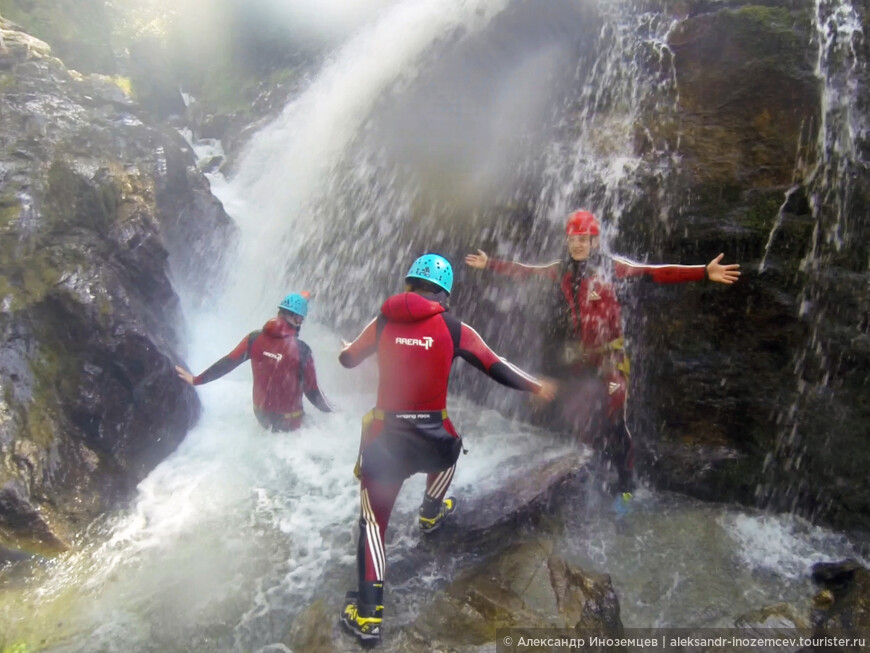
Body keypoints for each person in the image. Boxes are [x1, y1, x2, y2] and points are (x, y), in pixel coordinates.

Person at [337, 253, 556, 645]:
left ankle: (368, 617)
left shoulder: (383, 319)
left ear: (408, 285)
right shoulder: (454, 328)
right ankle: (431, 513)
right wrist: (538, 386)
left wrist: (347, 348)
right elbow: (496, 365)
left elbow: (348, 359)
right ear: (444, 294)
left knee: (373, 524)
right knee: (452, 439)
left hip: (386, 441)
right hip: (432, 444)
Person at [465, 210, 740, 499]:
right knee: (578, 413)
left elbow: (657, 272)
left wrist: (704, 272)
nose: (578, 245)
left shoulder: (613, 268)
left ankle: (626, 484)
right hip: (580, 359)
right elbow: (526, 271)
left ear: (595, 241)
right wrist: (490, 264)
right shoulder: (562, 271)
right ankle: (594, 467)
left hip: (610, 360)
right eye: (573, 239)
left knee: (615, 418)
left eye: (584, 239)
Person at [175, 292, 332, 431]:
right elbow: (313, 393)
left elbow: (227, 363)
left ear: (279, 313)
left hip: (261, 417)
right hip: (289, 423)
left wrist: (195, 380)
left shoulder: (254, 339)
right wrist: (335, 413)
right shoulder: (302, 350)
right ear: (298, 320)